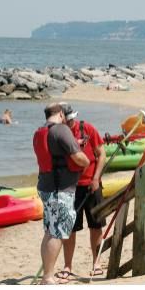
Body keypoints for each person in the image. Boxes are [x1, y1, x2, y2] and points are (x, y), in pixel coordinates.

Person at [33, 103, 89, 285]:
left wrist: (74, 145)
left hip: (46, 187)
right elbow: (79, 158)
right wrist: (86, 161)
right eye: (64, 114)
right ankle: (48, 277)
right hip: (60, 190)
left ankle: (46, 275)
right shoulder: (61, 130)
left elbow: (55, 151)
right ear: (59, 114)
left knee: (50, 231)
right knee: (57, 233)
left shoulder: (41, 131)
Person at [59, 107, 104, 280]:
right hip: (70, 187)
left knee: (96, 226)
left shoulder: (88, 129)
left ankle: (97, 263)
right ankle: (67, 266)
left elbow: (102, 154)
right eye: (66, 120)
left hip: (92, 185)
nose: (69, 123)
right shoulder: (59, 135)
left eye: (71, 119)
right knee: (70, 229)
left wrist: (96, 179)